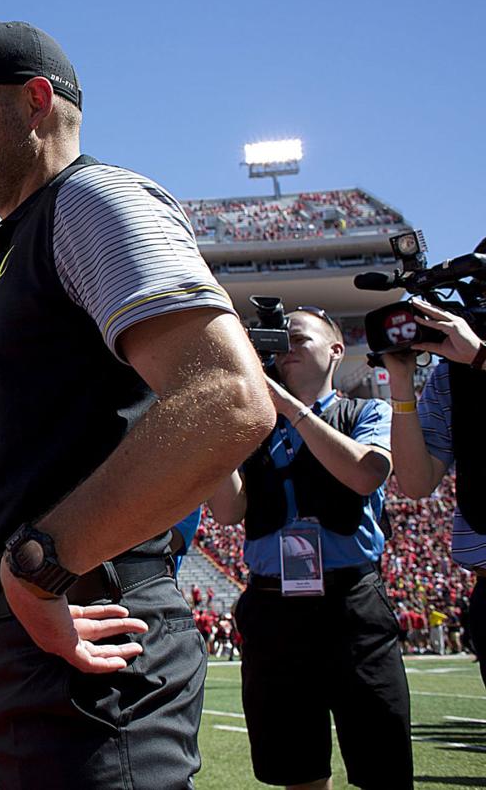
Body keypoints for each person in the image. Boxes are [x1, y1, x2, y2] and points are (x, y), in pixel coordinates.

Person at [0, 20, 275, 787]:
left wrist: (38, 564)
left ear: (34, 103)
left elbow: (227, 398)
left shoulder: (90, 200)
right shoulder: (28, 236)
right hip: (34, 655)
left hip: (84, 656)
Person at [209, 308, 410, 789]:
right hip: (272, 604)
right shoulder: (253, 426)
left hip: (351, 604)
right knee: (296, 767)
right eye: (280, 343)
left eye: (299, 339)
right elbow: (228, 510)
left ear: (336, 350)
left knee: (381, 760)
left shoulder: (366, 411)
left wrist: (288, 409)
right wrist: (215, 428)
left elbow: (365, 473)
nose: (287, 350)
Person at [382, 292, 486, 686]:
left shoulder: (474, 359)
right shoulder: (450, 376)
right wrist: (402, 383)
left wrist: (481, 357)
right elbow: (416, 482)